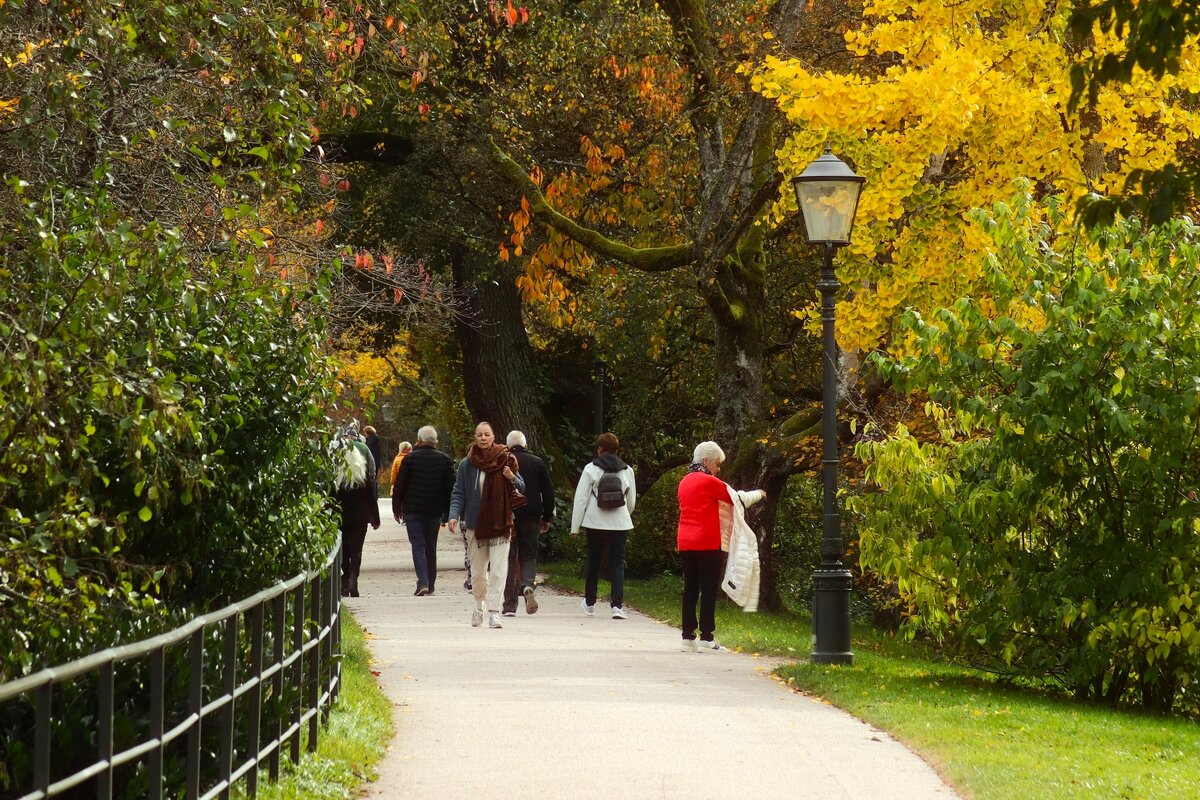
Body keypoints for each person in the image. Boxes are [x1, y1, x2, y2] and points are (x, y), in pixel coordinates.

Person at [676, 441, 765, 652]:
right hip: (707, 541)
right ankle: (707, 636)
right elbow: (738, 499)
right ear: (706, 461)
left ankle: (687, 637)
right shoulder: (709, 482)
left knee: (690, 588)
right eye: (717, 464)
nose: (718, 469)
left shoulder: (684, 481)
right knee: (708, 589)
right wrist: (759, 494)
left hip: (685, 541)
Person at [448, 422, 526, 628]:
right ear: (475, 438)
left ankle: (494, 611)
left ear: (493, 437)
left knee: (499, 570)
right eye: (479, 435)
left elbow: (521, 486)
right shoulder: (467, 464)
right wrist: (454, 515)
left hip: (500, 523)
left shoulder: (505, 458)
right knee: (478, 571)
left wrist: (512, 477)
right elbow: (458, 492)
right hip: (476, 524)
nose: (483, 438)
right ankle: (478, 605)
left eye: (487, 434)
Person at [570, 432, 636, 619]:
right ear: (617, 450)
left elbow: (581, 499)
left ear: (599, 449)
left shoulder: (591, 468)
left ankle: (590, 603)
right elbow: (631, 501)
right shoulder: (627, 470)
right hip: (620, 522)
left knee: (594, 560)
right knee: (617, 561)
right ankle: (617, 606)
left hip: (594, 521)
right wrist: (623, 515)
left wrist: (575, 527)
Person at [392, 427, 454, 596]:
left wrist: (397, 508)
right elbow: (450, 488)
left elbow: (400, 486)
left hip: (413, 509)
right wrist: (448, 513)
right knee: (430, 546)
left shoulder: (410, 459)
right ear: (435, 441)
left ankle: (423, 582)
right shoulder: (444, 460)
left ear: (418, 441)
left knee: (418, 545)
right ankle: (431, 583)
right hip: (434, 510)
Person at [502, 430, 555, 616]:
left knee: (508, 557)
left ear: (508, 446)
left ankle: (509, 605)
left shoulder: (503, 461)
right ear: (526, 445)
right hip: (532, 515)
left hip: (508, 516)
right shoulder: (537, 462)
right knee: (529, 554)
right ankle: (526, 584)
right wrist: (547, 517)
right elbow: (548, 491)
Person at [333, 426, 381, 598]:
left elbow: (330, 501)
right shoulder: (363, 480)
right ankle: (354, 577)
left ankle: (345, 580)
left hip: (342, 517)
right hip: (360, 518)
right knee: (357, 549)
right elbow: (371, 499)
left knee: (344, 549)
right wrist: (375, 518)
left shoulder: (338, 481)